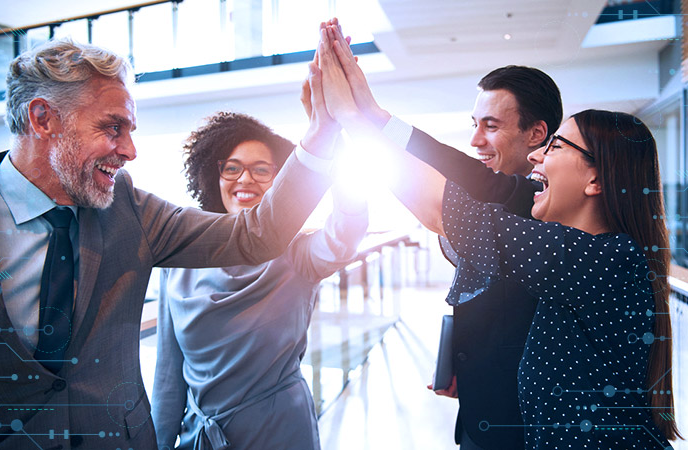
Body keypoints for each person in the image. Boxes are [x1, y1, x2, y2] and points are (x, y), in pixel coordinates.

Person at [315, 26, 679, 448]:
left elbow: (445, 207)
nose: (539, 157)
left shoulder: (598, 257)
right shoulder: (584, 251)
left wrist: (355, 119)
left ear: (595, 178)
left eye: (556, 147)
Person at [0, 38, 338, 450]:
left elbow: (256, 233)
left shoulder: (130, 210)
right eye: (112, 127)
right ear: (43, 118)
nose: (130, 151)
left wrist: (320, 137)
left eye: (130, 131)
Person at [302, 19, 563, 450]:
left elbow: (443, 201)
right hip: (482, 405)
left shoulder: (544, 201)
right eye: (474, 123)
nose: (476, 140)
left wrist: (359, 115)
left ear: (536, 133)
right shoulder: (504, 193)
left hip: (521, 422)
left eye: (492, 126)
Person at [151, 111, 367, 450]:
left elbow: (345, 234)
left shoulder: (297, 255)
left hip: (279, 431)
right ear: (213, 175)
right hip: (201, 436)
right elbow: (168, 373)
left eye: (262, 169)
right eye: (232, 167)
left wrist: (331, 137)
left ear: (281, 182)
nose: (245, 179)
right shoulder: (179, 262)